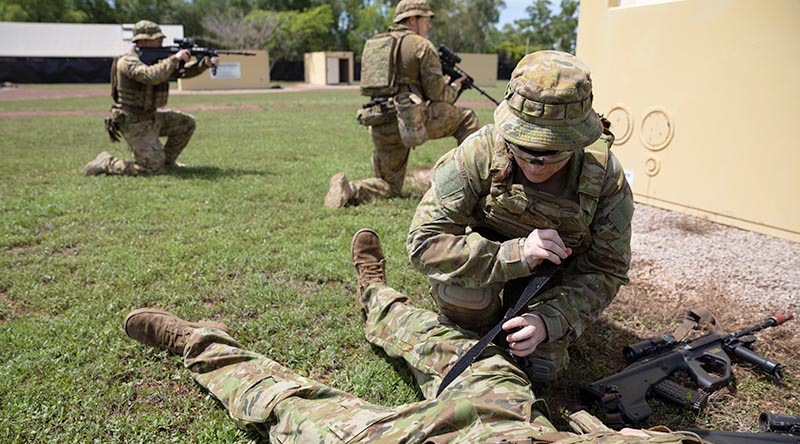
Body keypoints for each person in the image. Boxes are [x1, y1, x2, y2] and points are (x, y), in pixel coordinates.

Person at [124, 229, 702, 443]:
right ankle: (375, 296)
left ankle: (198, 344)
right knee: (446, 342)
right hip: (512, 421)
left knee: (294, 409)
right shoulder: (480, 158)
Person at [407, 50, 634, 383]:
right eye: (522, 146)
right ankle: (480, 332)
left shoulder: (603, 177)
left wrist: (549, 320)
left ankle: (522, 332)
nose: (534, 163)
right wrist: (513, 255)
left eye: (551, 151)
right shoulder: (479, 153)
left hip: (553, 281)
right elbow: (423, 243)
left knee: (543, 366)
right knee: (464, 299)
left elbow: (607, 268)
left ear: (580, 139)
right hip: (487, 265)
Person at [324, 0, 480, 208]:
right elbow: (438, 94)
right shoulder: (421, 45)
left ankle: (350, 189)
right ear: (413, 19)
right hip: (413, 121)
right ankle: (473, 183)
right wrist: (454, 86)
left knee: (388, 185)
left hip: (380, 120)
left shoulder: (376, 44)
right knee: (467, 118)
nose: (429, 25)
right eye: (426, 20)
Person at [81, 20, 219, 176]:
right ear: (143, 40)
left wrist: (203, 64)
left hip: (152, 117)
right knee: (151, 168)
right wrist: (174, 59)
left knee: (186, 123)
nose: (161, 41)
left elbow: (181, 73)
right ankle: (107, 163)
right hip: (133, 121)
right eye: (157, 39)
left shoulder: (158, 60)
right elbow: (150, 76)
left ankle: (167, 162)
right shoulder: (127, 61)